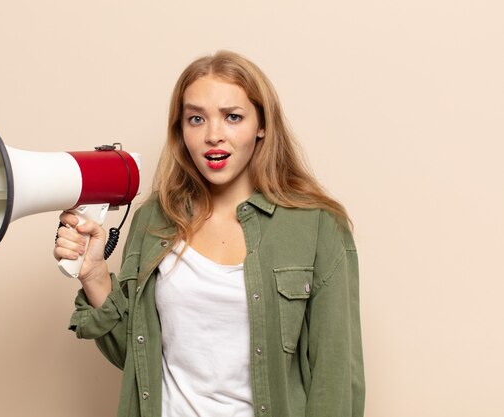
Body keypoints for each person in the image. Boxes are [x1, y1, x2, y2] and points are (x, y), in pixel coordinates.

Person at [53, 50, 365, 417]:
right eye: (196, 119)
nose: (213, 135)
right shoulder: (154, 220)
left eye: (232, 117)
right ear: (181, 130)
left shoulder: (317, 226)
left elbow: (336, 379)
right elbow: (138, 359)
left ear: (261, 125)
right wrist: (95, 276)